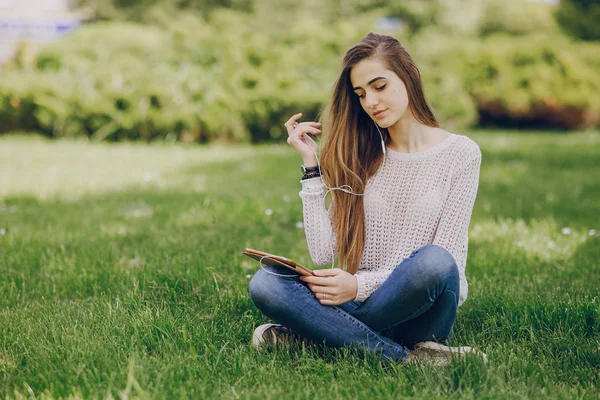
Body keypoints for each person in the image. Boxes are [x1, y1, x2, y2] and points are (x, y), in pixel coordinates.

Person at [248, 32, 487, 366]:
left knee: (432, 261)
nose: (371, 102)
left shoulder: (461, 154)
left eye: (380, 86)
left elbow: (446, 264)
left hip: (424, 308)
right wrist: (310, 167)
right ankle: (405, 359)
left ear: (408, 77)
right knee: (266, 283)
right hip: (361, 301)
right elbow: (321, 252)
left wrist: (357, 286)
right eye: (361, 94)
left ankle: (314, 336)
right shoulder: (362, 153)